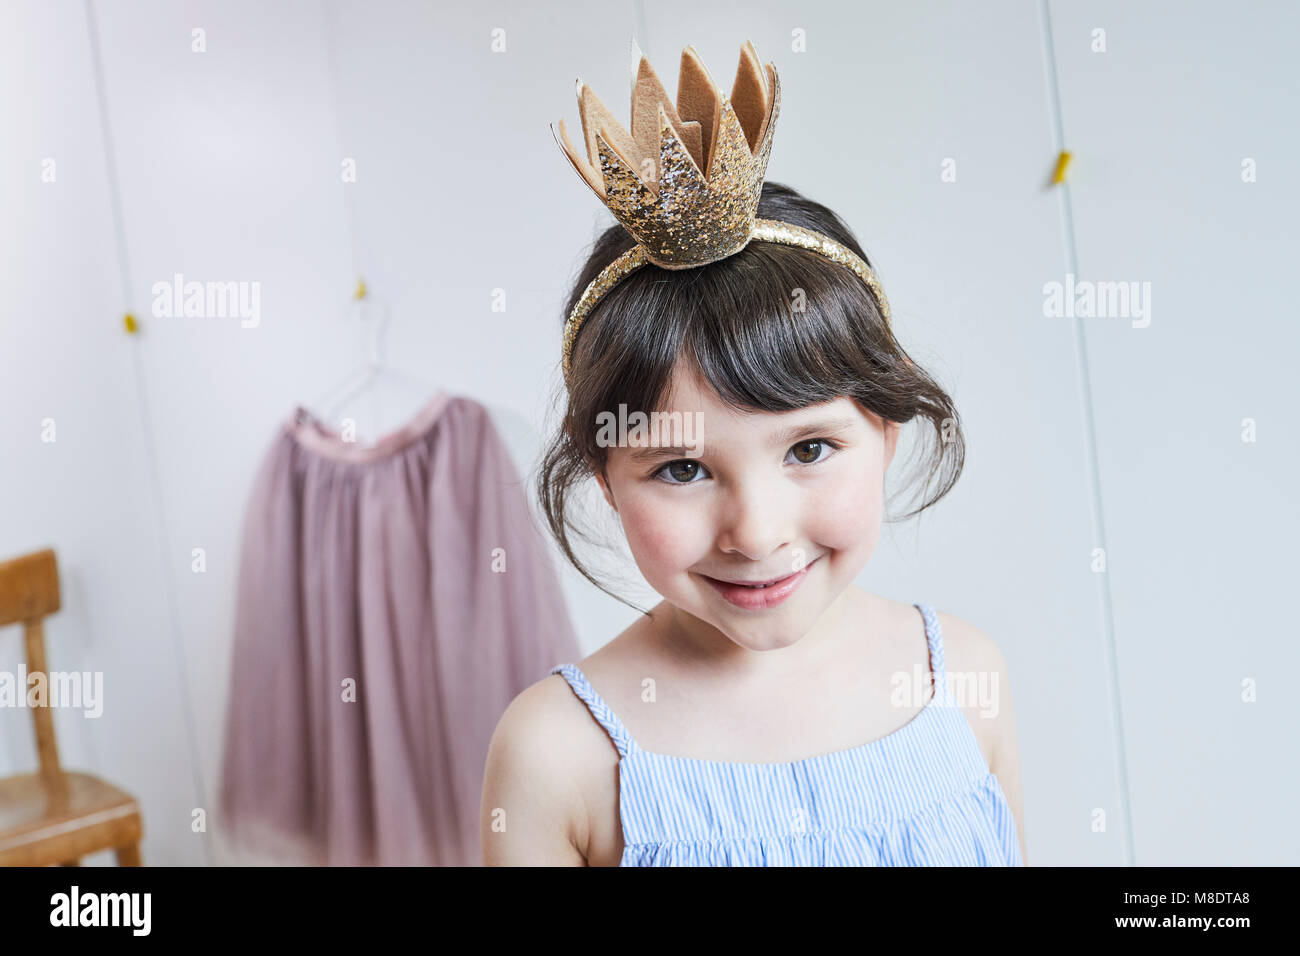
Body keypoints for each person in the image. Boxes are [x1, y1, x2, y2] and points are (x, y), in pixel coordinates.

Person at [480, 41, 1026, 866]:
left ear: (884, 429)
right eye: (682, 469)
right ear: (603, 476)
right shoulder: (557, 755)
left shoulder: (964, 683)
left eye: (809, 448)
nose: (758, 532)